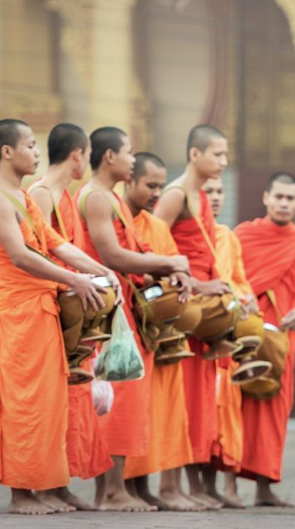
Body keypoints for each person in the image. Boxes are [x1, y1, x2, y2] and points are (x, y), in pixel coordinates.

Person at [0, 119, 119, 515]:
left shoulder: (22, 197)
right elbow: (21, 256)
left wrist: (103, 273)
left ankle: (50, 485)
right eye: (31, 145)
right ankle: (21, 494)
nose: (37, 152)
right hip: (19, 315)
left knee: (50, 404)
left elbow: (58, 245)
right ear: (7, 151)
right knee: (24, 403)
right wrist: (75, 279)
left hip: (43, 310)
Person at [77, 126, 190, 511]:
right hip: (108, 313)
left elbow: (131, 255)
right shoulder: (95, 197)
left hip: (121, 308)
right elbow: (112, 256)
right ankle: (111, 492)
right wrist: (169, 262)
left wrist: (165, 273)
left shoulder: (110, 199)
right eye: (128, 152)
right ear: (109, 156)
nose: (131, 159)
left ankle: (112, 489)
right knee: (117, 397)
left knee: (122, 398)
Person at [27, 123, 112, 511]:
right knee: (46, 404)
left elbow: (66, 248)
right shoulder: (41, 194)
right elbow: (38, 254)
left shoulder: (66, 195)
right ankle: (42, 485)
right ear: (78, 154)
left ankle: (60, 483)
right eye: (87, 152)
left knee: (71, 405)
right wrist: (76, 281)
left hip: (70, 306)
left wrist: (100, 275)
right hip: (48, 307)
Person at [154, 124, 233, 509]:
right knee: (175, 400)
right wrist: (198, 287)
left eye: (225, 154)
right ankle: (168, 488)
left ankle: (182, 485)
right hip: (180, 309)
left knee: (196, 402)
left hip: (201, 315)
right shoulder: (174, 194)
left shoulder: (200, 196)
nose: (224, 161)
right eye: (217, 154)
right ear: (194, 154)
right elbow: (151, 247)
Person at [235, 172, 295, 507]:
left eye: (290, 198)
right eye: (279, 197)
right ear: (265, 197)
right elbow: (229, 276)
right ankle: (228, 485)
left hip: (283, 336)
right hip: (245, 332)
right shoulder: (243, 235)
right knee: (237, 402)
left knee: (275, 406)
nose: (284, 204)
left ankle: (263, 487)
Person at [122, 152, 203, 512]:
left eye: (160, 185)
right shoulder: (118, 218)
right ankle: (130, 488)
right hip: (129, 326)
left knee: (165, 412)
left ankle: (155, 488)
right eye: (151, 185)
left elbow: (172, 261)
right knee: (132, 408)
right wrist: (161, 272)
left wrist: (181, 279)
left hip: (161, 331)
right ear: (129, 181)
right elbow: (118, 262)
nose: (157, 192)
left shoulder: (155, 226)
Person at [202, 176, 257, 508]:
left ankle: (230, 487)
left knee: (231, 415)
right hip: (204, 334)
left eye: (220, 191)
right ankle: (204, 486)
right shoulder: (187, 232)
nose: (216, 197)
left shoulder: (228, 236)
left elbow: (239, 278)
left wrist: (246, 296)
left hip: (230, 337)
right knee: (205, 413)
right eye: (208, 192)